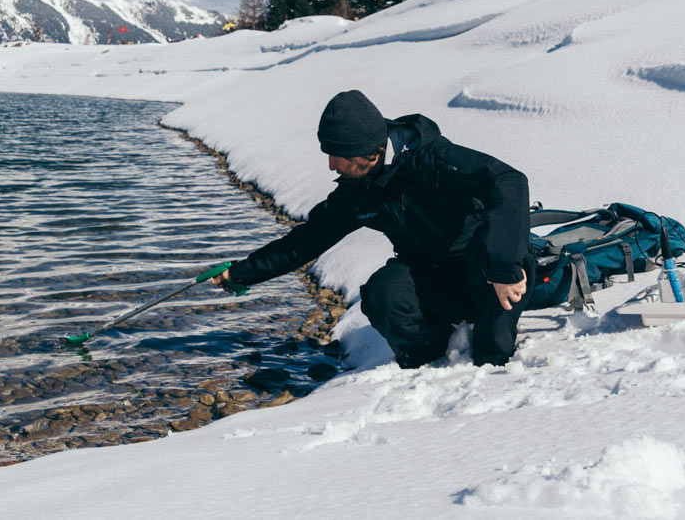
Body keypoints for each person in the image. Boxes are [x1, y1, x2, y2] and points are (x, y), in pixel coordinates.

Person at [214, 89, 534, 369]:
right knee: (383, 294)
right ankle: (434, 351)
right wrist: (241, 274)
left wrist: (503, 265)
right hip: (432, 275)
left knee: (492, 354)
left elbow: (508, 181)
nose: (330, 166)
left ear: (370, 152)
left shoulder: (430, 158)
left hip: (487, 268)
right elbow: (306, 241)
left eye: (338, 156)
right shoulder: (358, 192)